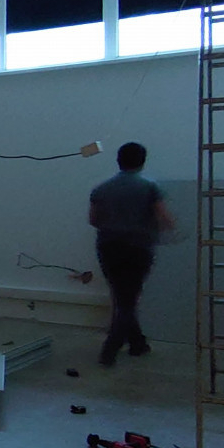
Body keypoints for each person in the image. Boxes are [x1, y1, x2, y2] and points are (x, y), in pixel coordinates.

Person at [88, 141, 175, 366]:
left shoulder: (101, 189)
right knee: (128, 300)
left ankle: (138, 343)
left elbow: (93, 220)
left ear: (118, 161)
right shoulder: (150, 187)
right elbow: (164, 218)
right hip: (139, 248)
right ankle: (110, 348)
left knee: (122, 296)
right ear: (142, 162)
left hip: (108, 247)